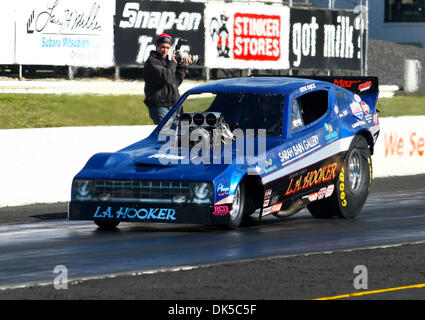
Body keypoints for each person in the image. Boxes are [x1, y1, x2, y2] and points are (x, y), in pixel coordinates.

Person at [144, 33, 192, 124]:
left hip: (175, 104)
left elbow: (175, 83)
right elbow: (166, 78)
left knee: (183, 134)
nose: (165, 50)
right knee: (166, 135)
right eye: (162, 47)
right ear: (156, 47)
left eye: (167, 48)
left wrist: (182, 67)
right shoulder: (152, 62)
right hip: (160, 106)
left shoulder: (168, 62)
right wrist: (174, 62)